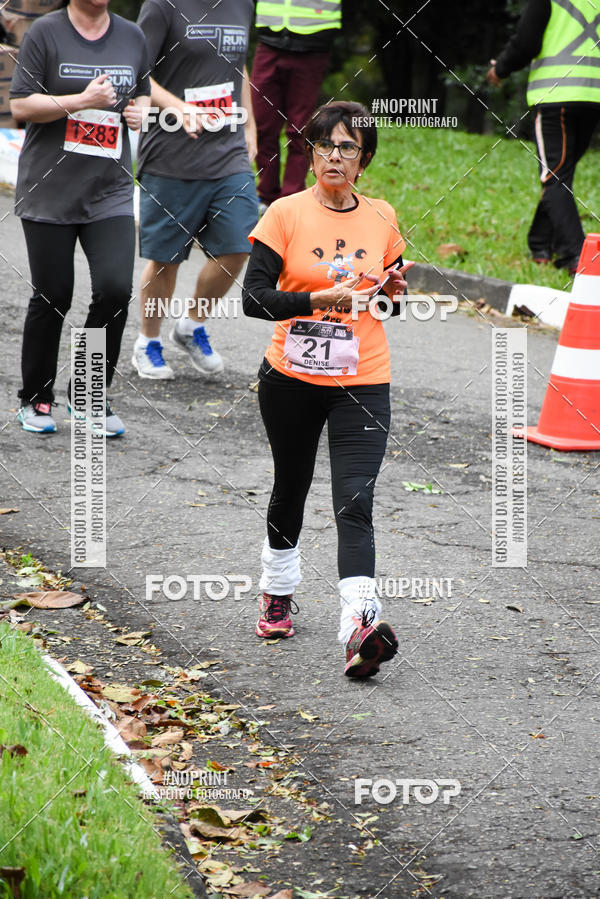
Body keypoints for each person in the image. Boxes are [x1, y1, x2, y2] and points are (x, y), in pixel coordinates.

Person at [242, 100, 413, 679]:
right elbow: (253, 298)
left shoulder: (383, 217)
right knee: (291, 484)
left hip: (362, 379)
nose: (334, 156)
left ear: (364, 160)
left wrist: (391, 289)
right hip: (290, 377)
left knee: (354, 501)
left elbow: (389, 302)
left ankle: (360, 627)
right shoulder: (284, 215)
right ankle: (277, 591)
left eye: (347, 148)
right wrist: (318, 300)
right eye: (324, 145)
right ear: (311, 152)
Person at [10, 0, 150, 435]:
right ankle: (36, 398)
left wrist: (140, 110)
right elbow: (21, 106)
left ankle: (88, 397)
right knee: (54, 295)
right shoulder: (45, 33)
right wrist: (81, 100)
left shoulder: (132, 36)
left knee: (113, 290)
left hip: (108, 190)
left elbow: (142, 90)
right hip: (49, 191)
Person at [131, 0, 258, 380]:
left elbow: (238, 66)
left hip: (228, 150)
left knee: (239, 245)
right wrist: (179, 108)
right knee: (166, 258)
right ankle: (147, 342)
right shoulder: (161, 6)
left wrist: (250, 124)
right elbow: (135, 72)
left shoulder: (241, 5)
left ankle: (190, 326)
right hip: (170, 152)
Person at [487, 0, 600, 273]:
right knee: (561, 174)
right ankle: (540, 244)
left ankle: (575, 256)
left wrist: (499, 69)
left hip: (556, 95)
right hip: (593, 97)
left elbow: (526, 43)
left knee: (555, 178)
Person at [251, 0, 341, 212]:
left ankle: (291, 200)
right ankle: (267, 197)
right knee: (262, 125)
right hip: (270, 38)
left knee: (300, 130)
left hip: (313, 41)